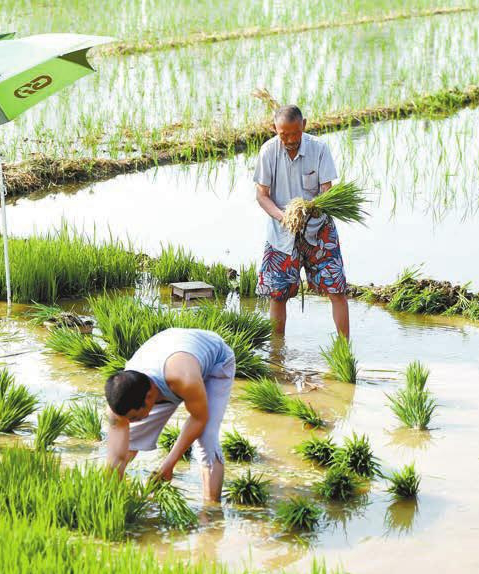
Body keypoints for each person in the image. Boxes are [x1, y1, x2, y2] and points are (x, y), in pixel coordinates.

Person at [104, 328, 235, 503]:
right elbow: (116, 457)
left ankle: (211, 511)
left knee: (206, 438)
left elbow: (199, 419)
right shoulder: (119, 400)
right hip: (170, 353)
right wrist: (108, 500)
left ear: (150, 397)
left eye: (134, 417)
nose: (131, 422)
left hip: (215, 363)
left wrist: (168, 464)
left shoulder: (184, 379)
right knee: (130, 441)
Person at [254, 105, 350, 339]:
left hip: (319, 232)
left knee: (337, 290)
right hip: (282, 234)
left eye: (295, 134)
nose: (289, 140)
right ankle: (277, 353)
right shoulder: (268, 151)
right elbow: (262, 194)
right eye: (283, 134)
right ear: (274, 129)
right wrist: (284, 216)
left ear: (304, 125)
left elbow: (327, 191)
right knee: (278, 294)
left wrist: (308, 210)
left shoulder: (319, 149)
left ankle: (344, 349)